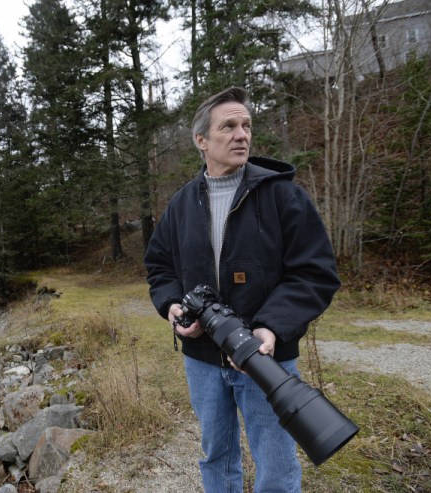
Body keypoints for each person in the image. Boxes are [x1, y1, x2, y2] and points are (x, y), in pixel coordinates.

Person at [143, 86, 340, 493]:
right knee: (216, 454)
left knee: (276, 464)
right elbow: (159, 267)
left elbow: (315, 273)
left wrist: (270, 328)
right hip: (202, 360)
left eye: (246, 125)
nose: (242, 135)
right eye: (228, 126)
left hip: (266, 358)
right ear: (202, 140)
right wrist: (174, 308)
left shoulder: (282, 195)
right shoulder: (180, 205)